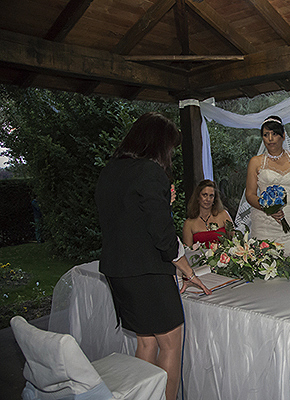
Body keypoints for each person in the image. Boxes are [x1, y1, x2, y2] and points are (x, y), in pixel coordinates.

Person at [95, 112, 211, 400]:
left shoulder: (111, 170)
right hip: (147, 273)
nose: (169, 154)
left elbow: (128, 217)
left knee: (146, 343)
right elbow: (162, 235)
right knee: (170, 344)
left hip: (117, 271)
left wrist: (162, 202)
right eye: (169, 148)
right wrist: (189, 271)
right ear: (159, 144)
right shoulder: (151, 172)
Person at [245, 116, 290, 259]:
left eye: (274, 134)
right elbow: (250, 195)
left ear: (283, 135)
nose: (270, 139)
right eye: (266, 135)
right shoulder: (256, 162)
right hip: (265, 224)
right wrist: (268, 208)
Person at [182, 180, 232, 248]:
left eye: (211, 196)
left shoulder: (223, 215)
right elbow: (188, 252)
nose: (208, 199)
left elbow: (234, 240)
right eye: (204, 195)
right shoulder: (189, 224)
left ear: (214, 199)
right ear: (198, 197)